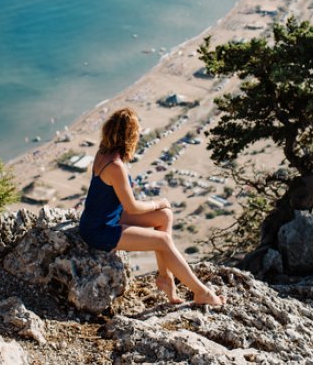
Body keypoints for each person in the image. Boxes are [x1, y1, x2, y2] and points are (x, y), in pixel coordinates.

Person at [79, 107, 223, 306]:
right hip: (98, 230)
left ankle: (165, 277)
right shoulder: (115, 166)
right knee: (163, 239)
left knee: (164, 216)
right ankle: (202, 293)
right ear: (130, 136)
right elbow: (132, 207)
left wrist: (160, 208)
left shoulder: (103, 153)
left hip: (107, 216)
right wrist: (158, 202)